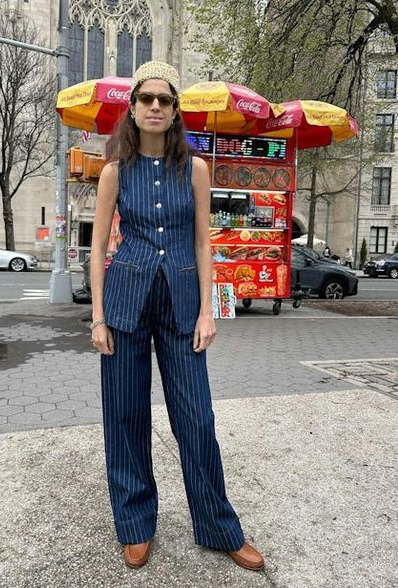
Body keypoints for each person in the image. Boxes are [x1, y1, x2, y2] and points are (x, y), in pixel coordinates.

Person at [90, 61, 264, 571]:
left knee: (196, 418)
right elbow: (99, 246)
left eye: (165, 101)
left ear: (174, 112)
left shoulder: (195, 169)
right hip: (124, 300)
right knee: (125, 416)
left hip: (183, 306)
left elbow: (203, 241)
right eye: (147, 98)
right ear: (134, 106)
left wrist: (208, 311)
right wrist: (98, 316)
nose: (155, 107)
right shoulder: (114, 172)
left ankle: (217, 525)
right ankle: (136, 523)